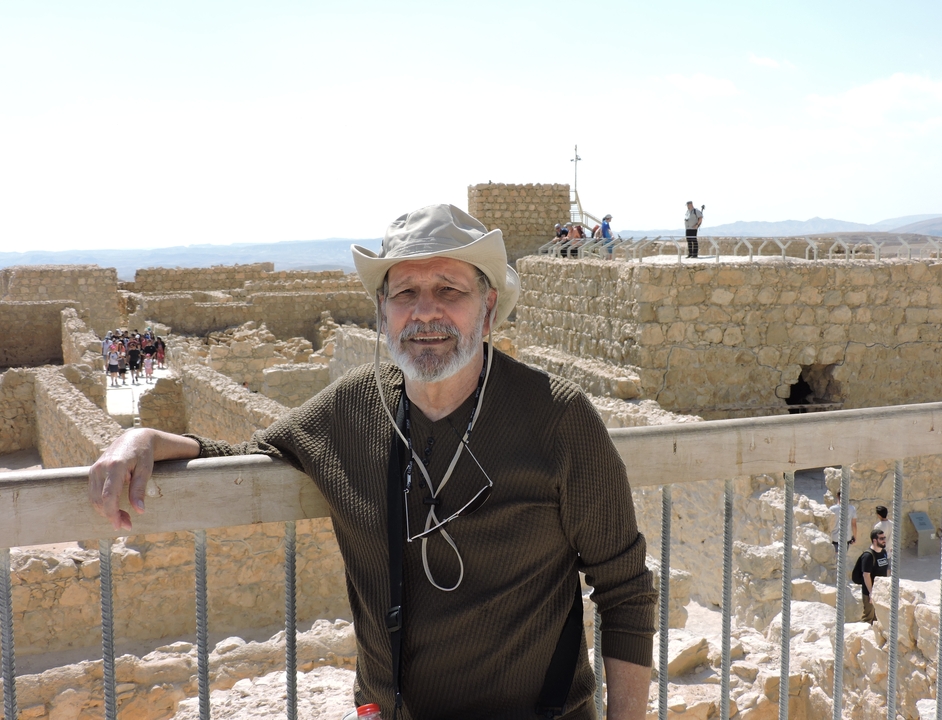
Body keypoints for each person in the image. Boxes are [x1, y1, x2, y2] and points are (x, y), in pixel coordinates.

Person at [89, 204, 656, 720]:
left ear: (487, 309)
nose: (425, 313)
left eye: (449, 291)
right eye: (405, 293)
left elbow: (625, 588)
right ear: (381, 310)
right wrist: (144, 438)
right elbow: (248, 458)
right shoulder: (352, 406)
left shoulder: (558, 419)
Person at [858, 529, 889, 623]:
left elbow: (886, 570)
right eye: (881, 538)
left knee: (878, 618)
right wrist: (871, 593)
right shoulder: (868, 556)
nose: (884, 540)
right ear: (875, 540)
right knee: (868, 617)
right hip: (870, 592)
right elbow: (866, 575)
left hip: (881, 590)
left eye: (884, 538)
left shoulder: (883, 552)